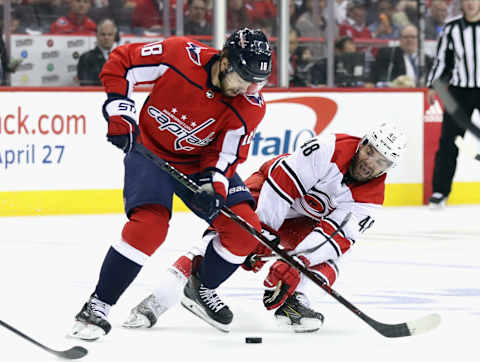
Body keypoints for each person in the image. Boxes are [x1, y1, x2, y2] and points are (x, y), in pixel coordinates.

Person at [69, 27, 272, 340]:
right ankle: (96, 307)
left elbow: (225, 154)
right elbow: (122, 61)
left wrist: (214, 187)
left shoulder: (251, 105)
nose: (247, 87)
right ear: (225, 61)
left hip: (197, 165)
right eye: (242, 76)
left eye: (254, 80)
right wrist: (120, 112)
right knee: (150, 226)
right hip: (149, 151)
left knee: (245, 230)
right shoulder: (180, 54)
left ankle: (200, 288)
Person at [122, 123, 408, 333]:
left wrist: (293, 266)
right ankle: (157, 301)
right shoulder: (330, 147)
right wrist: (263, 232)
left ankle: (294, 302)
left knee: (331, 259)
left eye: (382, 161)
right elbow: (282, 183)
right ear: (363, 143)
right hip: (269, 189)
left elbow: (335, 237)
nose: (371, 163)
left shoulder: (370, 200)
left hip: (305, 221)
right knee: (231, 238)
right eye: (371, 151)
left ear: (388, 167)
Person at [426, 0, 480, 208]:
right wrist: (434, 85)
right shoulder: (451, 28)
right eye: (466, 0)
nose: (470, 4)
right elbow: (442, 60)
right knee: (449, 140)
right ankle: (440, 191)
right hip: (459, 92)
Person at [369, 25, 434, 87]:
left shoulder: (427, 60)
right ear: (400, 39)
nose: (409, 40)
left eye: (413, 37)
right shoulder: (388, 55)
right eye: (406, 37)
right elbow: (377, 78)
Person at [77, 19, 117, 86]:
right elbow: (87, 85)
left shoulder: (122, 59)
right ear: (97, 36)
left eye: (110, 34)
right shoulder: (86, 58)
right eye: (103, 34)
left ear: (115, 37)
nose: (106, 37)